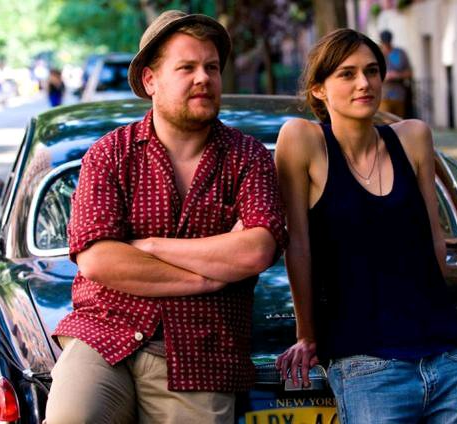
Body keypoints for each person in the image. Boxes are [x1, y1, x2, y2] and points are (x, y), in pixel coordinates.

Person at [45, 10, 286, 424]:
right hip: (104, 333)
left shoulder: (249, 158)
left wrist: (150, 247)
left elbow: (256, 251)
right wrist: (208, 277)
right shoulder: (109, 154)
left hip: (202, 349)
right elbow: (98, 259)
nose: (203, 78)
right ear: (150, 80)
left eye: (212, 67)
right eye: (187, 68)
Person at [274, 28, 457, 423]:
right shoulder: (303, 141)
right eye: (347, 74)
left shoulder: (413, 137)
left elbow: (434, 242)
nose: (364, 83)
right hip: (366, 366)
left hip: (446, 360)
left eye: (371, 71)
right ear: (318, 89)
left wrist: (451, 336)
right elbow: (297, 246)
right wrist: (306, 334)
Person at [379, 29, 412, 118]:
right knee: (385, 121)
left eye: (388, 43)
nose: (386, 45)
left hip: (399, 95)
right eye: (384, 43)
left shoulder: (400, 53)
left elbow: (409, 73)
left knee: (398, 121)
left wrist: (397, 75)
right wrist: (384, 76)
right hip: (383, 95)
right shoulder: (377, 54)